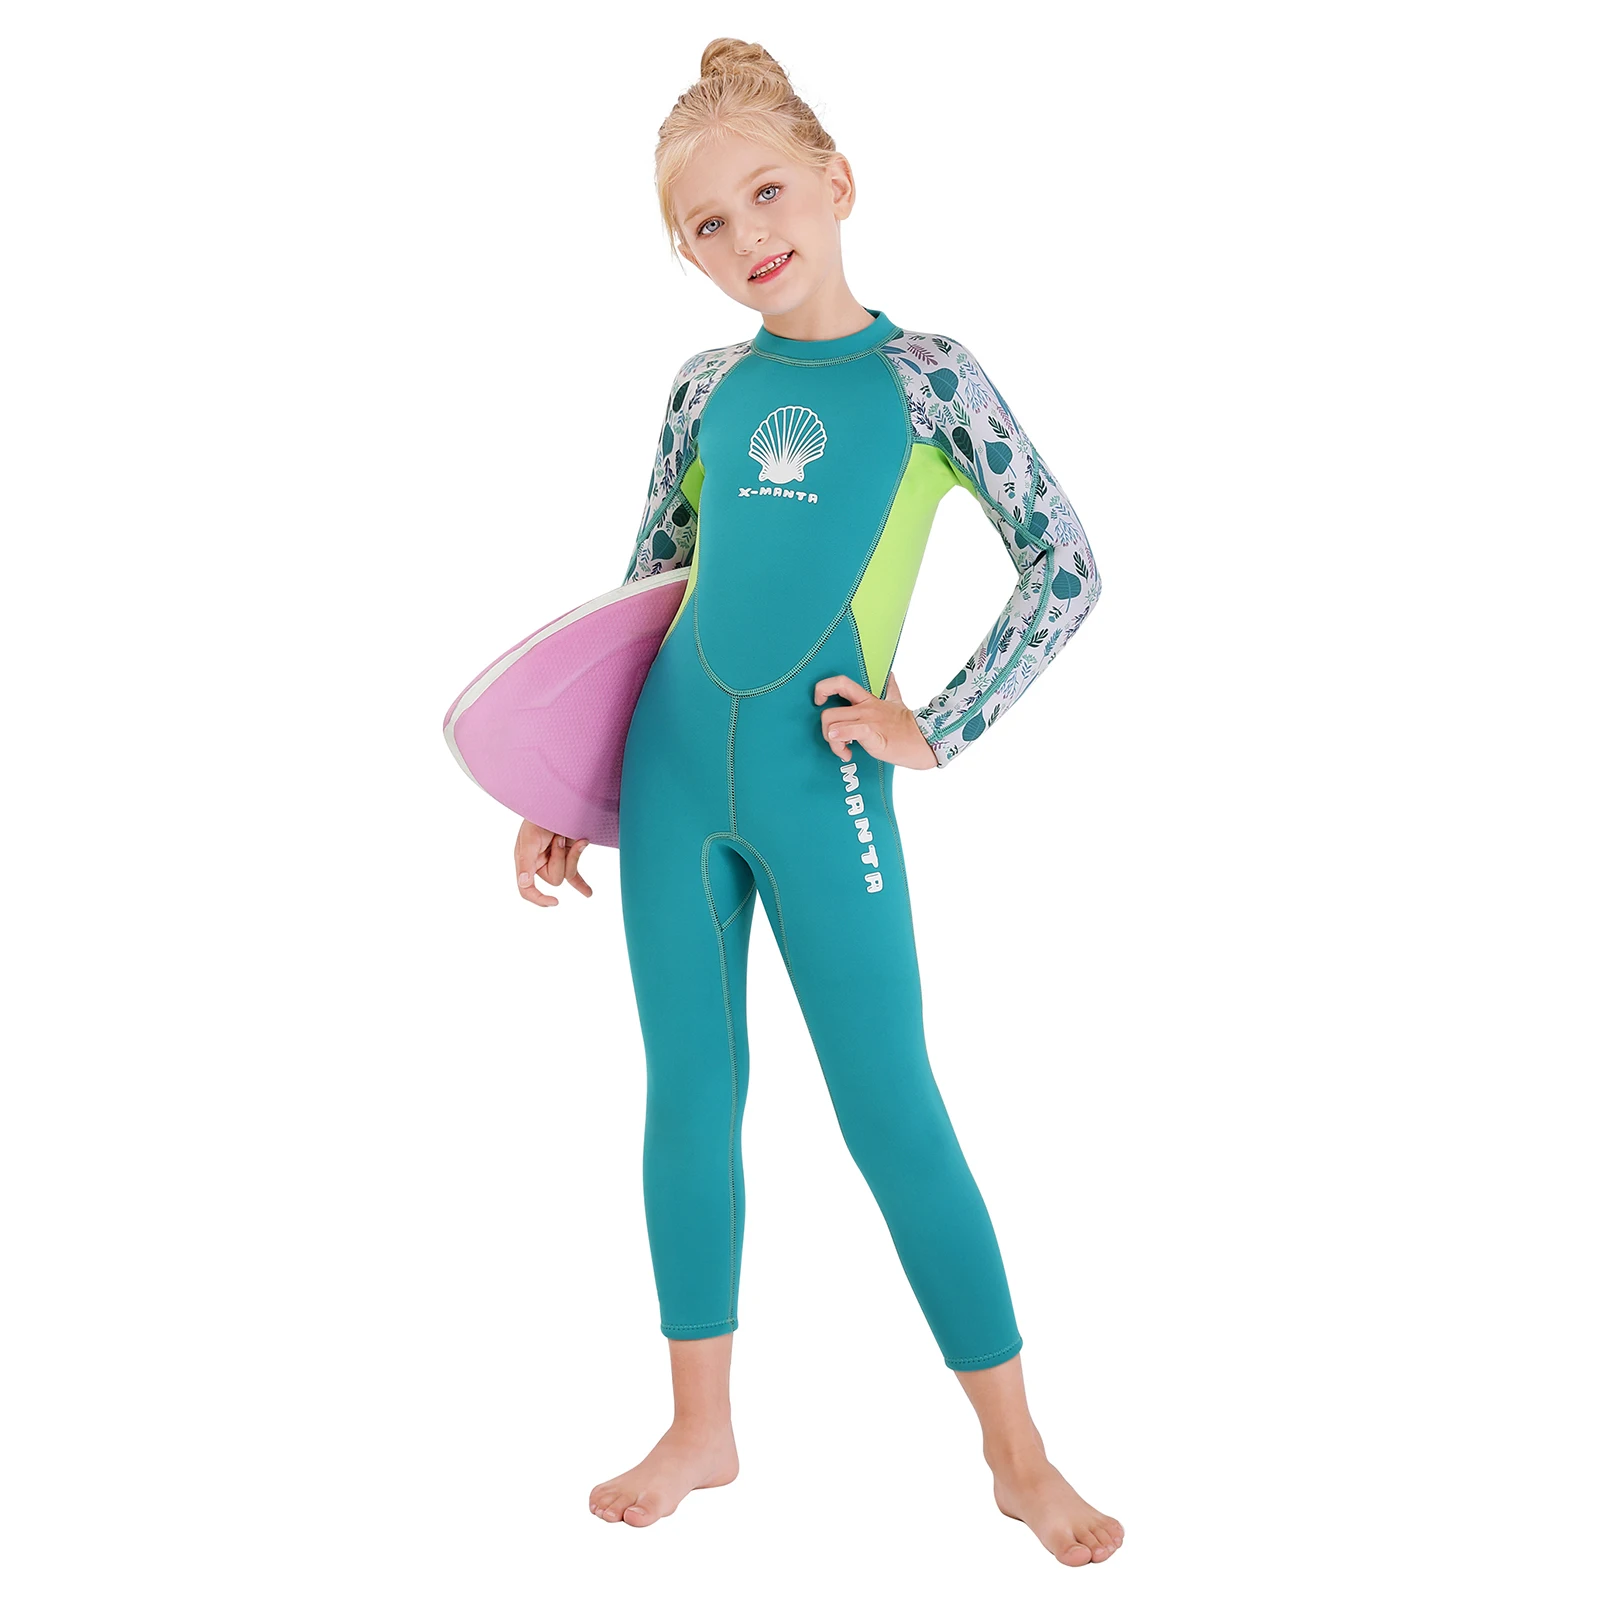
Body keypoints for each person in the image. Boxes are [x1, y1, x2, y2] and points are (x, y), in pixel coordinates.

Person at [512, 38, 1121, 1568]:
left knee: (890, 1108)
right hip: (668, 778)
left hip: (820, 783)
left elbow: (1066, 566)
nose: (748, 236)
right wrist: (565, 782)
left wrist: (939, 726)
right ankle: (699, 1428)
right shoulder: (704, 389)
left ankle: (1019, 1454)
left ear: (838, 182)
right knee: (688, 1094)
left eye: (769, 192)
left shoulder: (928, 382)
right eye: (707, 224)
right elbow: (647, 589)